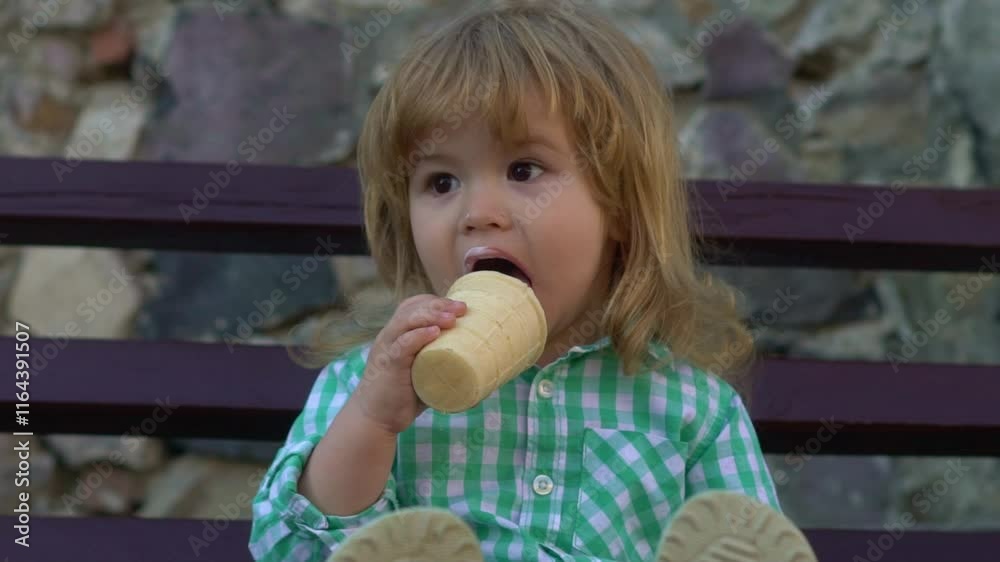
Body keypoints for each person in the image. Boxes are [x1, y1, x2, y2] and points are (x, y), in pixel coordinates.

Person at [250, 2, 817, 561]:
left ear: (620, 204)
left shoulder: (693, 410)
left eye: (524, 170)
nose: (477, 213)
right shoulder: (370, 385)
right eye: (441, 181)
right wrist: (373, 423)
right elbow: (286, 549)